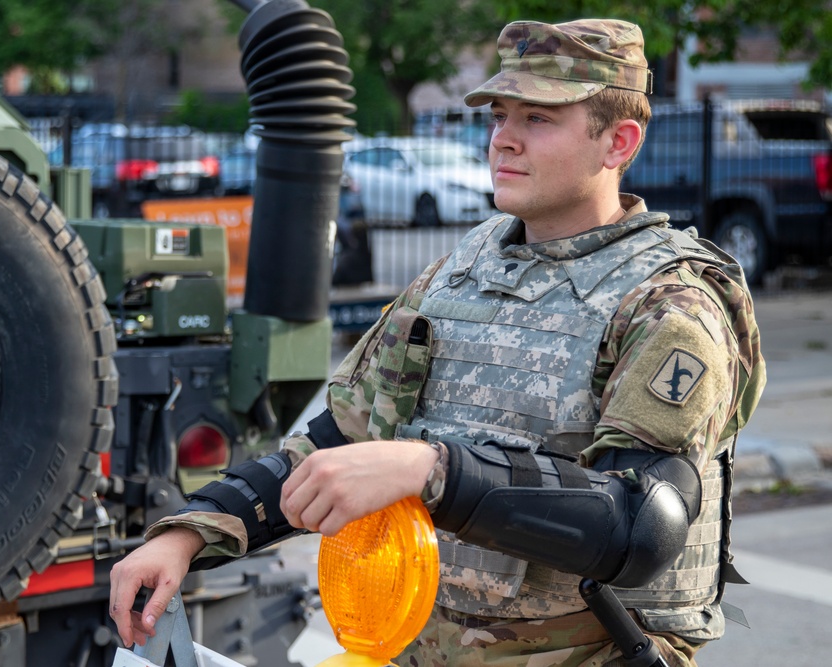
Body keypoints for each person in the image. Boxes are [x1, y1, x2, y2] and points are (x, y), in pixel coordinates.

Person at [109, 18, 766, 666]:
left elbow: (640, 523)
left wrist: (431, 469)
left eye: (538, 120)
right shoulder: (460, 270)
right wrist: (192, 534)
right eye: (499, 115)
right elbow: (335, 444)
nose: (503, 140)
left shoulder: (670, 301)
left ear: (618, 142)